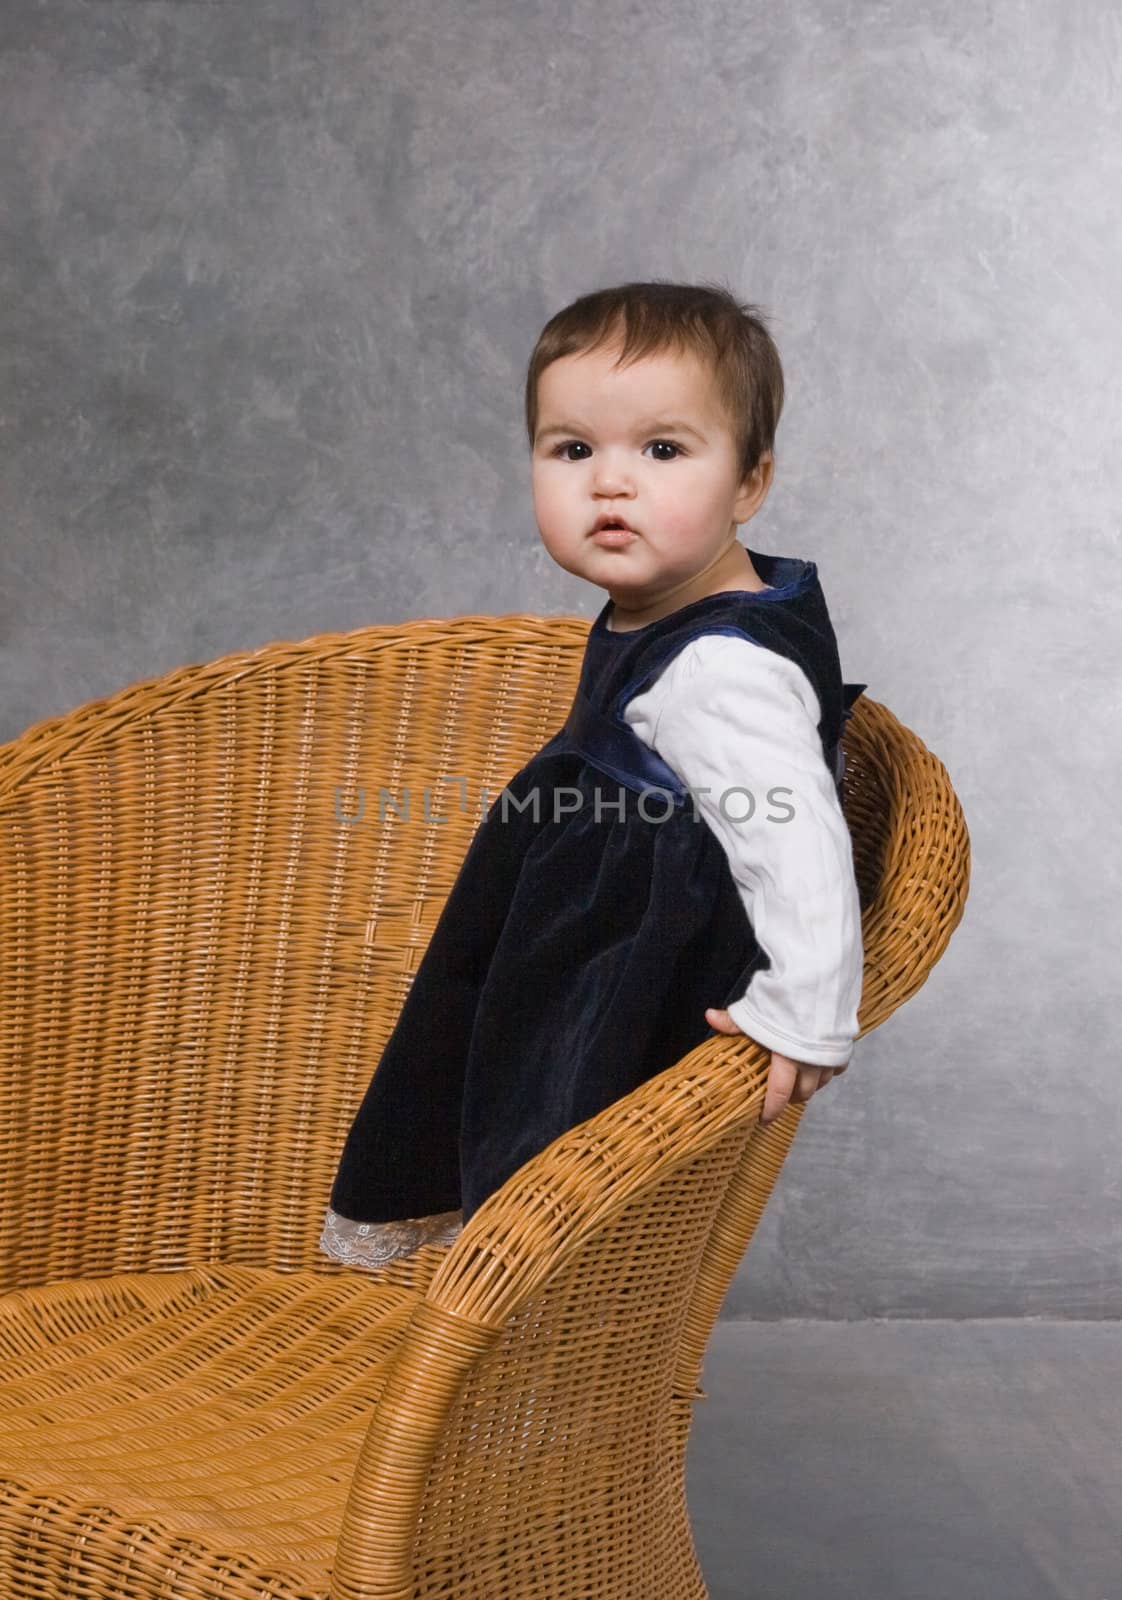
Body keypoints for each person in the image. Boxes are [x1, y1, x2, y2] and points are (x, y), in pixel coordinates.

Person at [319, 279, 866, 1273]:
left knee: (546, 1129)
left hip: (623, 962)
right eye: (573, 450)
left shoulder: (722, 668)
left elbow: (799, 839)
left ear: (750, 483)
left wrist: (809, 1013)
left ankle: (525, 1306)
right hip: (592, 907)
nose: (610, 484)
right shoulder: (670, 608)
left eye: (663, 450)